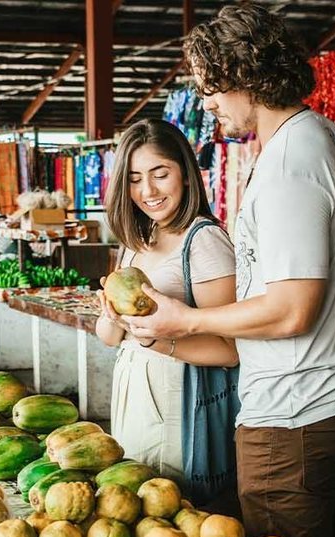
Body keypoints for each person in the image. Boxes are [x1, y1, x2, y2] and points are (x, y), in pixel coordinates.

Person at [121, 4, 335, 537]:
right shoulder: (329, 139)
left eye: (211, 88)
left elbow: (292, 307)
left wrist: (184, 317)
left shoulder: (289, 166)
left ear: (244, 74)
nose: (208, 103)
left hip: (293, 413)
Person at [95, 119, 239, 484]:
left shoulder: (203, 241)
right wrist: (111, 315)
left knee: (172, 507)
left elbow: (231, 350)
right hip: (133, 397)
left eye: (160, 174)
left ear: (186, 175)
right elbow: (110, 338)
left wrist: (156, 339)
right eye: (135, 178)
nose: (148, 190)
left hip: (180, 401)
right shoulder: (136, 240)